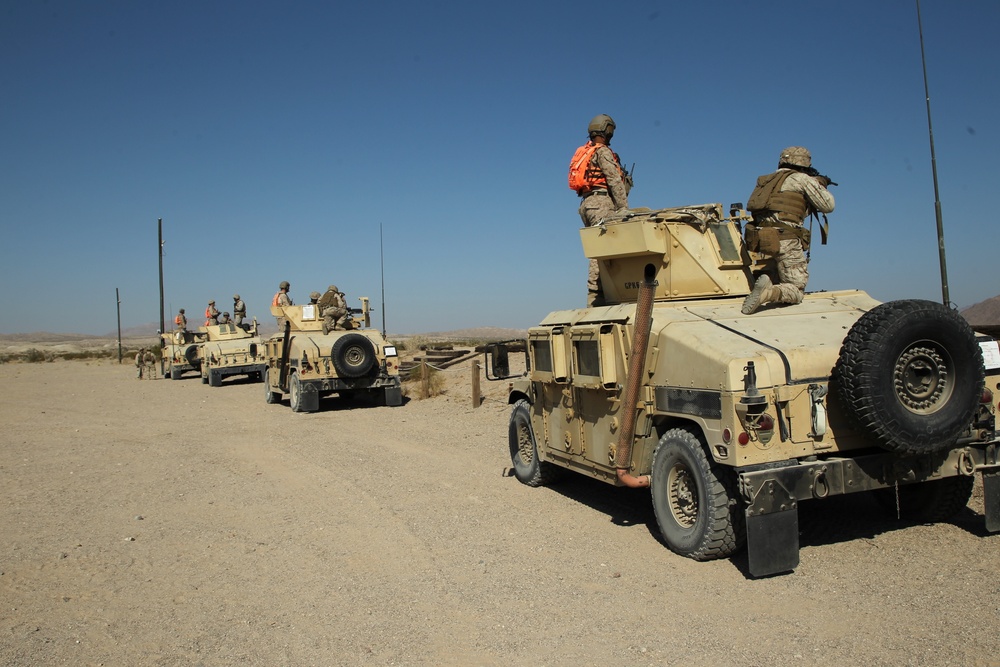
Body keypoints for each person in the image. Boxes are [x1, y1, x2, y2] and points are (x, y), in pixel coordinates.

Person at [742, 146, 836, 315]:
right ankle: (769, 292)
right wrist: (819, 184)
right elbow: (828, 206)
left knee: (779, 273)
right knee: (796, 289)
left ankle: (768, 278)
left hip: (761, 239)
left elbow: (786, 209)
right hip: (786, 239)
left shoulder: (766, 180)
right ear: (804, 164)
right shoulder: (801, 179)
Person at [568, 114, 632, 307]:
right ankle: (597, 298)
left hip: (587, 204)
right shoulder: (602, 152)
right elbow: (613, 179)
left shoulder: (585, 151)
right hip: (602, 203)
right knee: (602, 251)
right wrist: (623, 208)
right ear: (607, 130)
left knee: (599, 250)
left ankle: (599, 295)